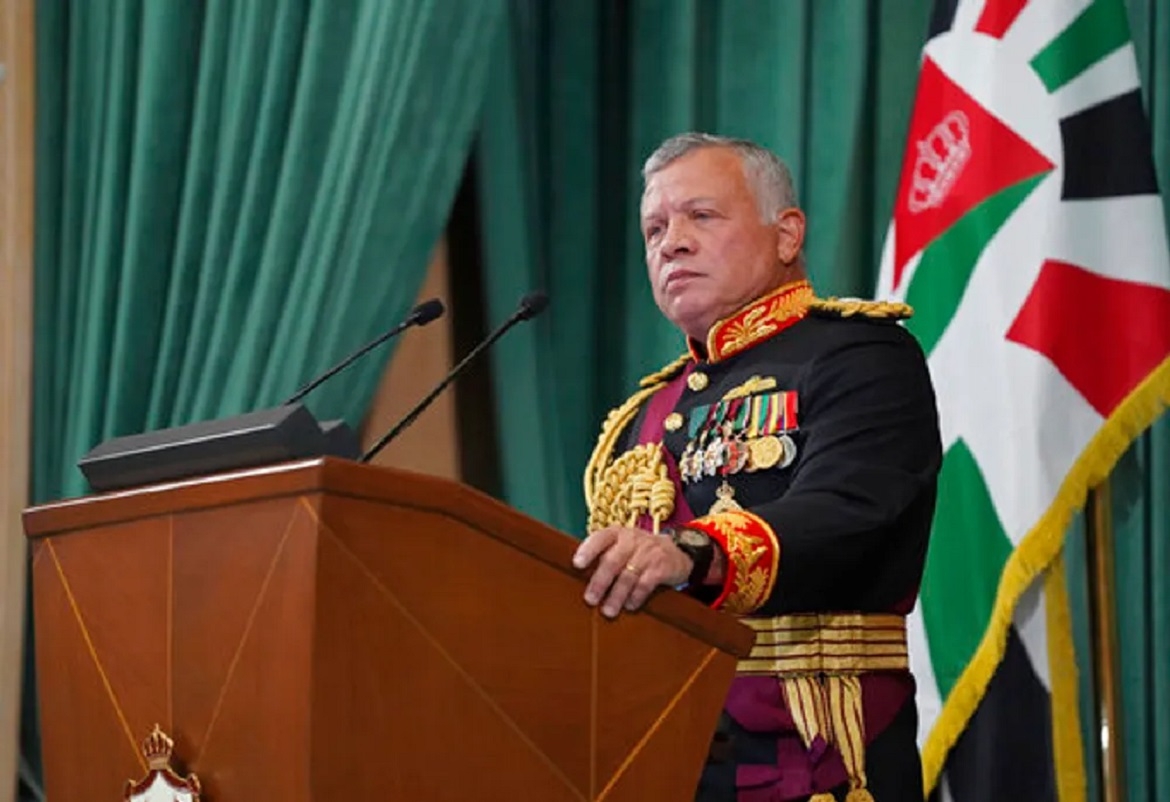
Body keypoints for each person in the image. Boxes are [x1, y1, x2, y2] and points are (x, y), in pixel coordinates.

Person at [572, 132, 942, 802]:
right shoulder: (641, 414)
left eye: (701, 216)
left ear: (787, 234)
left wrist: (694, 552)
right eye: (655, 229)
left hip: (815, 756)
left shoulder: (859, 356)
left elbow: (846, 511)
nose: (672, 243)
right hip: (664, 761)